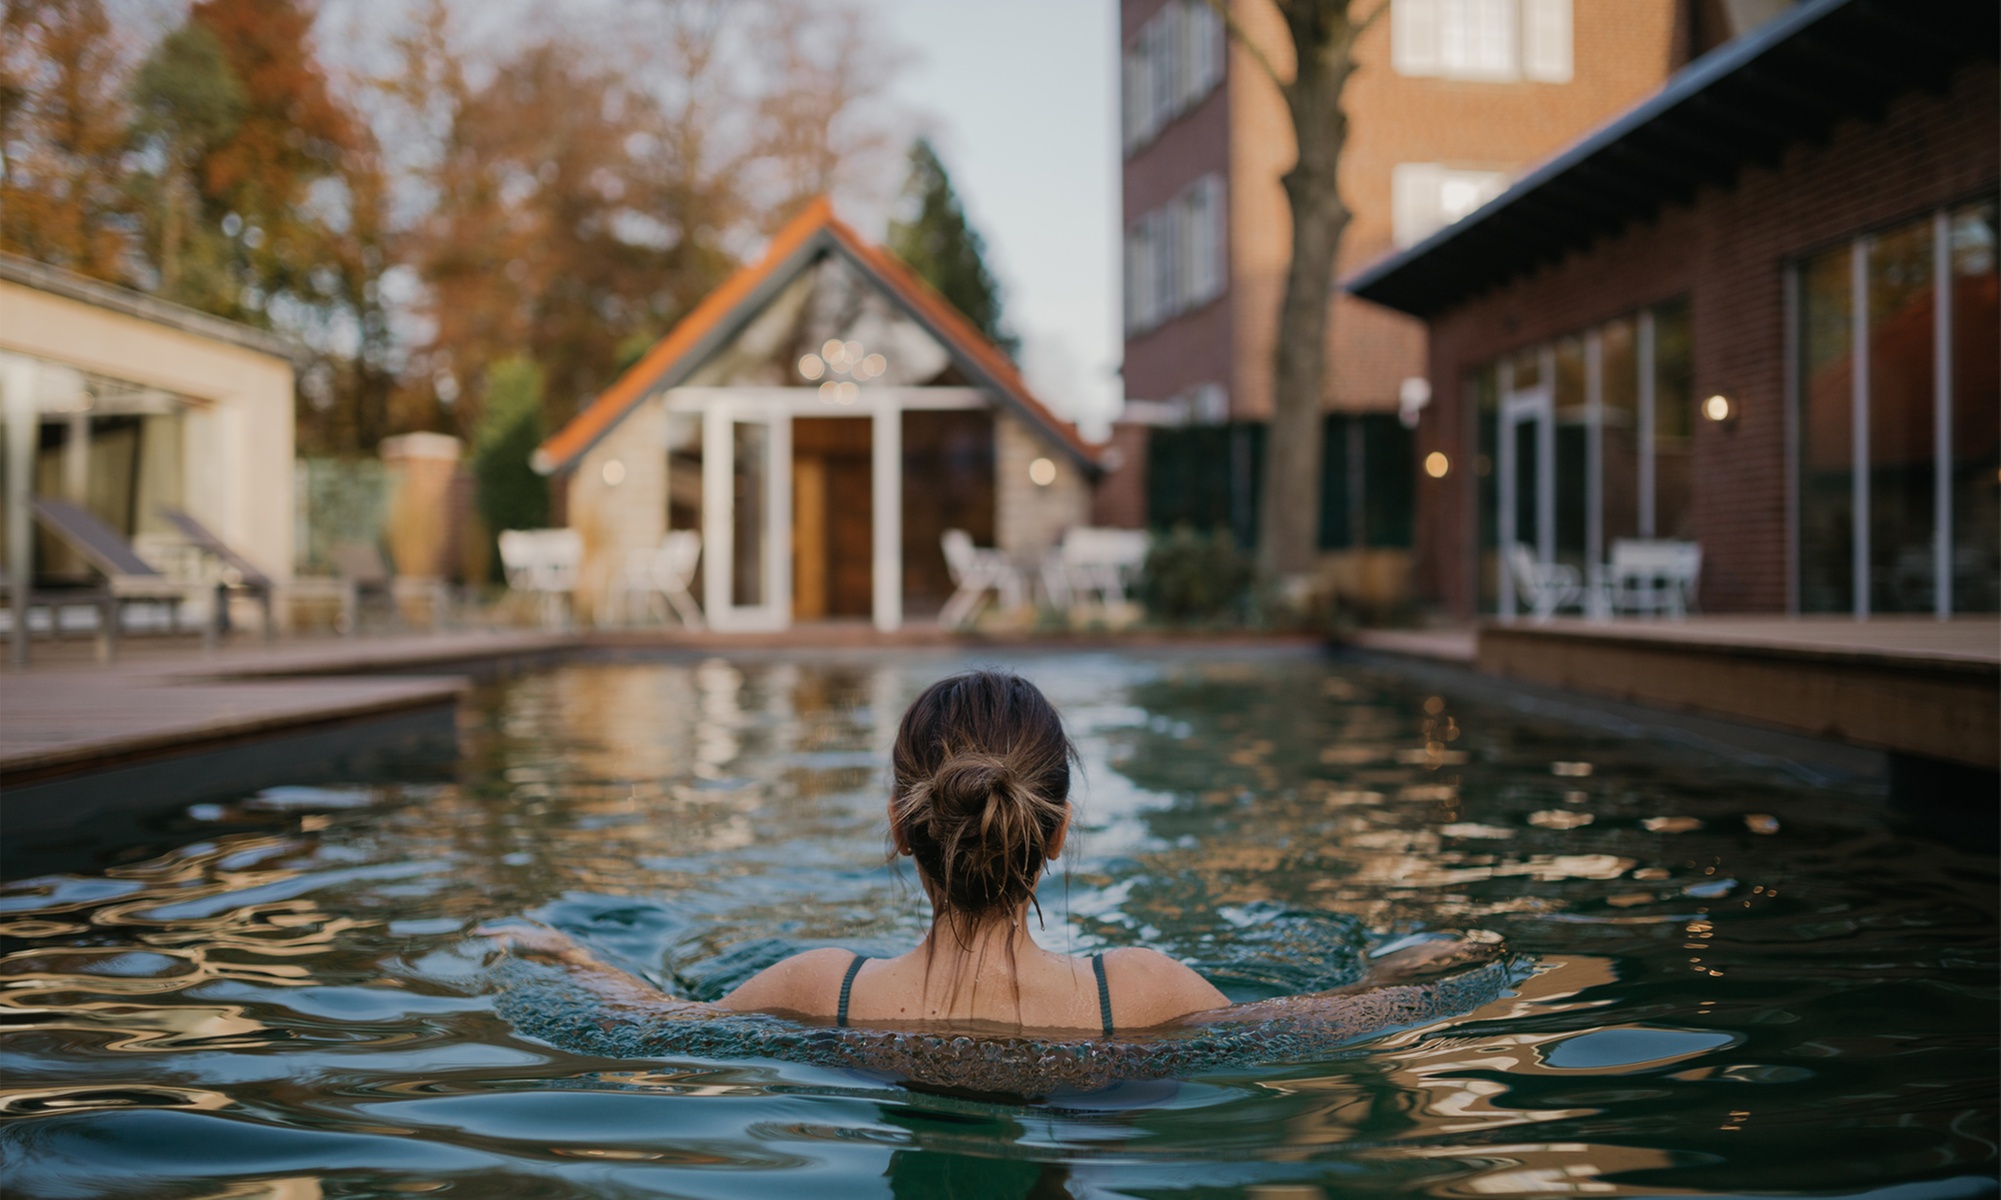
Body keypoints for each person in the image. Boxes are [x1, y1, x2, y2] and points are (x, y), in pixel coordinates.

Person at [493, 668, 1496, 1038]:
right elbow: (1334, 1018)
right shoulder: (1139, 993)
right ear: (1055, 835)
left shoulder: (818, 989)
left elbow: (658, 1022)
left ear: (899, 828)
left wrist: (566, 956)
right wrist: (1414, 966)